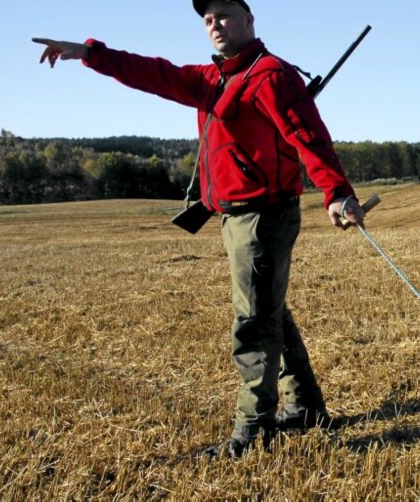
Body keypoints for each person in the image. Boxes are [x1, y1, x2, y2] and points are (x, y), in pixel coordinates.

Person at [33, 0, 365, 458]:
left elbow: (307, 134)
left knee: (253, 324)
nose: (215, 25)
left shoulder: (270, 75)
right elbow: (154, 72)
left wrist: (336, 192)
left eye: (225, 14)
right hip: (235, 217)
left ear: (250, 20)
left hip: (263, 216)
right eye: (208, 20)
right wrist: (90, 53)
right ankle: (305, 407)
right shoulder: (213, 80)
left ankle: (254, 431)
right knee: (270, 312)